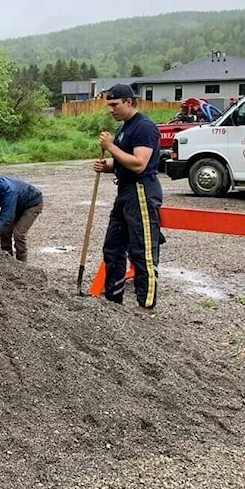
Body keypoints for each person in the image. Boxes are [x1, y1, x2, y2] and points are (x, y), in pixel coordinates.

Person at [94, 83, 163, 315]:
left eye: (114, 104)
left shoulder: (144, 127)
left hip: (141, 191)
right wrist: (107, 165)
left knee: (141, 249)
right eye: (109, 105)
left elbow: (138, 163)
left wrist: (110, 146)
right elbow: (124, 161)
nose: (111, 109)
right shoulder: (124, 128)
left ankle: (147, 305)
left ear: (129, 102)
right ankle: (113, 298)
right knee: (112, 247)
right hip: (124, 191)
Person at [0, 169, 43, 263]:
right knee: (5, 232)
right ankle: (8, 262)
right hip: (16, 205)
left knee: (18, 234)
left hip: (31, 205)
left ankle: (23, 264)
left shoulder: (9, 192)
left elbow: (5, 220)